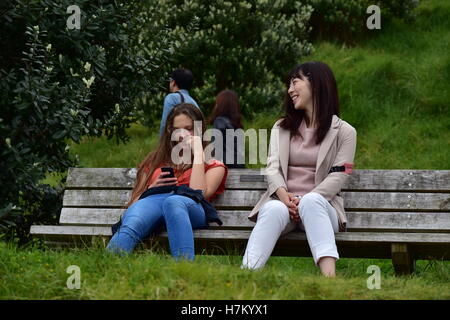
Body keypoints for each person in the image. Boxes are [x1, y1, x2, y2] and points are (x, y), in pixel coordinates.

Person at [241, 61, 357, 277]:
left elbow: (341, 175)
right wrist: (285, 198)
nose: (290, 90)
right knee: (273, 209)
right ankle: (247, 275)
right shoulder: (282, 127)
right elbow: (272, 168)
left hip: (322, 208)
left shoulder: (345, 132)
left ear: (316, 85)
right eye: (289, 85)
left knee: (312, 202)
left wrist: (304, 201)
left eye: (295, 83)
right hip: (285, 204)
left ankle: (329, 280)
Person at [107, 103, 227, 260]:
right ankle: (106, 266)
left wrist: (198, 154)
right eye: (178, 129)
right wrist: (151, 188)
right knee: (134, 221)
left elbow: (200, 193)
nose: (184, 134)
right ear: (170, 131)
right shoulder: (154, 162)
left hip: (190, 210)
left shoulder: (213, 164)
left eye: (189, 128)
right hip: (154, 208)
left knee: (174, 202)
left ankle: (183, 268)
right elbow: (134, 205)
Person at [209, 89, 245, 168]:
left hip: (226, 169)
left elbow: (215, 150)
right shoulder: (237, 125)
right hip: (239, 168)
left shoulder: (219, 122)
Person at [159, 69, 199, 136]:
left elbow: (165, 123)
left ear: (173, 82)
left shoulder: (171, 98)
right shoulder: (193, 102)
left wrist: (161, 142)